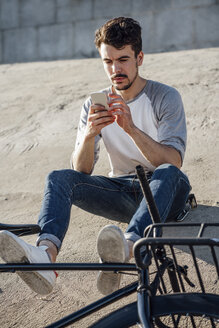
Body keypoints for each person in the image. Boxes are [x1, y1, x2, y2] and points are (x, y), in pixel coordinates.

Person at [0, 17, 191, 296]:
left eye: (123, 59)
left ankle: (125, 247)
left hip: (165, 193)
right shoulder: (94, 102)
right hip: (122, 191)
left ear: (140, 57)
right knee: (59, 178)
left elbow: (173, 161)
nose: (115, 69)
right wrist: (89, 135)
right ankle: (45, 257)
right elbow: (82, 170)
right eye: (108, 61)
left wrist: (131, 129)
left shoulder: (165, 97)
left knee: (169, 173)